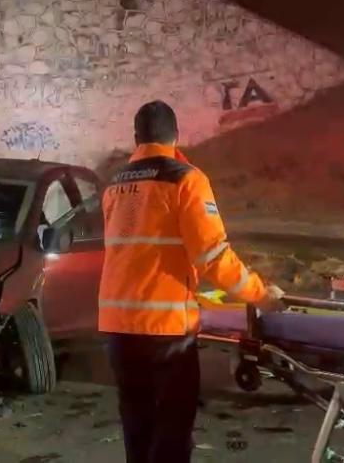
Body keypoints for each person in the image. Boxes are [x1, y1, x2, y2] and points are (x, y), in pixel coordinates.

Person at [99, 100, 285, 463]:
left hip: (117, 329)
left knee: (137, 428)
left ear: (136, 138)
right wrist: (261, 295)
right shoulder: (186, 180)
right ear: (176, 136)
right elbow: (214, 257)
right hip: (166, 332)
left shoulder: (113, 187)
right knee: (171, 432)